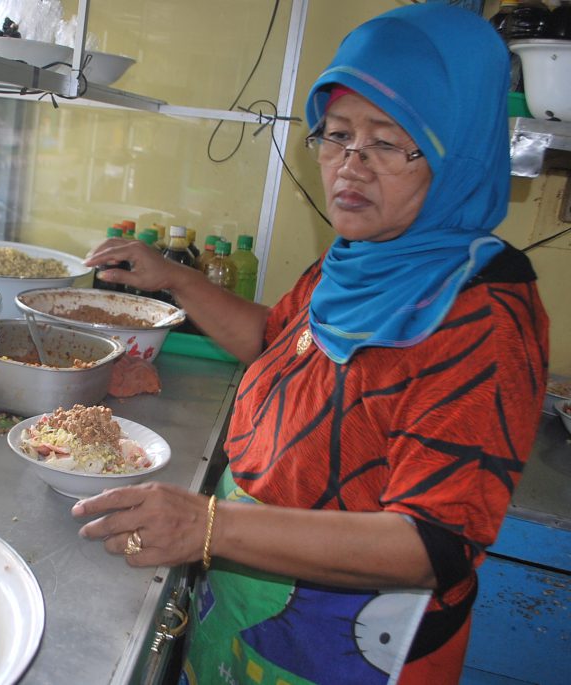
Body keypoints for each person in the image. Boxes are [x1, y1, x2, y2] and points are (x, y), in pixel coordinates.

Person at [74, 4, 549, 684]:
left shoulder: (484, 313)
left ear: (457, 150)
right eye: (337, 135)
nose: (350, 166)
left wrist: (211, 527)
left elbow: (432, 542)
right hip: (247, 606)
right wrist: (173, 278)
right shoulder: (358, 255)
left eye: (388, 143)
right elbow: (278, 342)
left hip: (352, 643)